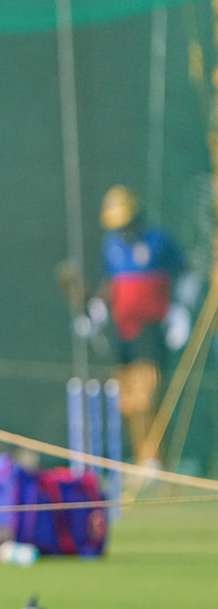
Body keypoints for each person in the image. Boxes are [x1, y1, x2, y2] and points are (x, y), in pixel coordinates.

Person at [87, 185, 188, 464]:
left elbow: (184, 274)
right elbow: (109, 284)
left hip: (152, 327)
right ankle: (142, 457)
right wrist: (97, 310)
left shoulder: (159, 240)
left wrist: (180, 311)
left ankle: (157, 458)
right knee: (128, 398)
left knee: (149, 393)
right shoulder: (112, 244)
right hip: (123, 330)